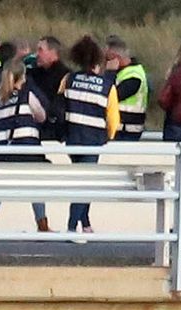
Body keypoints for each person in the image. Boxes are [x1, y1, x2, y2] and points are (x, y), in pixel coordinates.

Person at [59, 35, 120, 236]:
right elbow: (113, 121)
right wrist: (107, 137)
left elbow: (59, 106)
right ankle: (71, 226)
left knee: (81, 181)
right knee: (85, 184)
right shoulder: (107, 86)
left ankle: (85, 223)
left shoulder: (68, 79)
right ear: (98, 61)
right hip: (93, 141)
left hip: (72, 138)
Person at [0, 58, 52, 232]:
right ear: (21, 77)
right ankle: (42, 224)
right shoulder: (26, 95)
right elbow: (41, 115)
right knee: (36, 184)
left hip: (3, 152)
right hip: (27, 149)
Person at [105, 36, 149, 141]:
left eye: (107, 59)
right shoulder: (123, 72)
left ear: (116, 58)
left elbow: (109, 96)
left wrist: (109, 73)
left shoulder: (134, 76)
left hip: (126, 129)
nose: (105, 62)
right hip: (120, 127)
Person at [29, 36, 71, 141]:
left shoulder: (66, 76)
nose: (37, 54)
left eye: (41, 50)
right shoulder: (33, 74)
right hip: (35, 131)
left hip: (56, 135)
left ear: (53, 52)